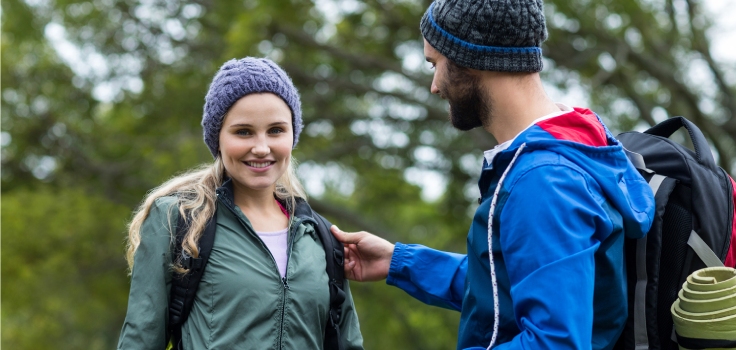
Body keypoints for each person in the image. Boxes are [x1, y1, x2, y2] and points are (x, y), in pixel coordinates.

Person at [331, 0, 655, 349]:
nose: (434, 86)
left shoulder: (543, 181)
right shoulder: (573, 144)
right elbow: (505, 289)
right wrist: (400, 261)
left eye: (435, 64)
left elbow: (555, 343)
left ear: (471, 60)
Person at [117, 57, 363, 349]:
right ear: (217, 138)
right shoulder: (177, 219)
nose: (261, 147)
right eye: (243, 131)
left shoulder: (320, 236)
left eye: (276, 130)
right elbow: (140, 339)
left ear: (293, 135)